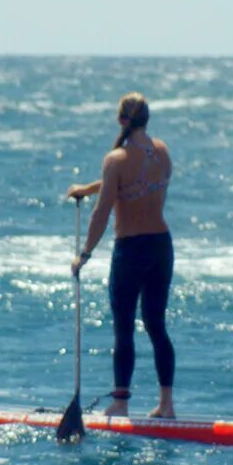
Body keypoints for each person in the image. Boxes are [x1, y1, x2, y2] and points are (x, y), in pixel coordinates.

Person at [67, 92, 176, 418]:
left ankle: (121, 402)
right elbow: (135, 179)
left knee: (124, 327)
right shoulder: (161, 152)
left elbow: (102, 213)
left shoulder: (115, 159)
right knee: (156, 325)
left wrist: (84, 255)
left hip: (130, 250)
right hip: (161, 246)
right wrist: (88, 188)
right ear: (147, 118)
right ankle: (167, 404)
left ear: (121, 120)